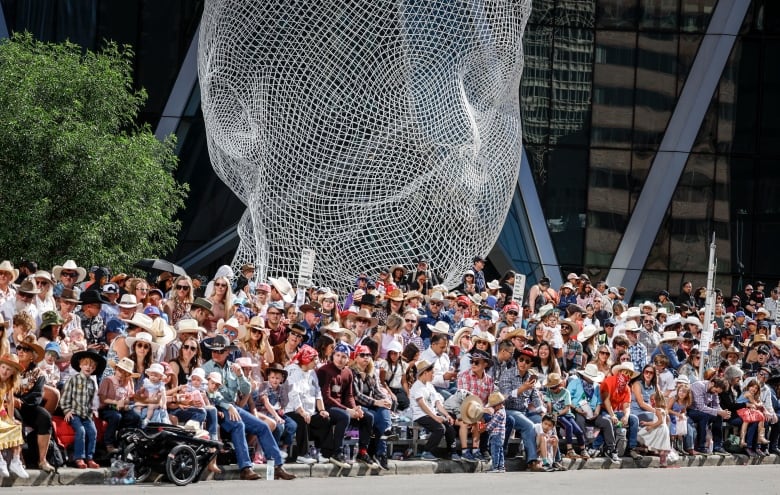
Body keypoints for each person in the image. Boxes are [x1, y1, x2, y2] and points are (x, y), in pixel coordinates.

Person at [202, 335, 293, 480]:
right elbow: (208, 393)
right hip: (216, 408)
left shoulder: (233, 367)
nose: (215, 354)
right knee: (238, 425)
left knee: (262, 427)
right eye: (213, 351)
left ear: (227, 352)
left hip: (233, 407)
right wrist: (227, 406)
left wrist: (239, 376)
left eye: (219, 351)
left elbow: (246, 390)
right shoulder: (205, 369)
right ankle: (245, 468)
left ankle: (277, 466)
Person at [316, 342, 377, 469]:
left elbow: (349, 395)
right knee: (344, 416)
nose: (340, 359)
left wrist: (355, 408)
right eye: (338, 355)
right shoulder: (324, 371)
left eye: (344, 356)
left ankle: (362, 451)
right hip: (326, 406)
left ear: (348, 359)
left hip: (342, 406)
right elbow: (326, 397)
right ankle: (336, 452)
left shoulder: (348, 372)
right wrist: (348, 410)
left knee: (368, 416)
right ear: (333, 356)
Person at [497, 346, 545, 471]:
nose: (523, 363)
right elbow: (504, 397)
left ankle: (549, 459)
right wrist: (522, 389)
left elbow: (535, 397)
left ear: (531, 364)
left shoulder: (530, 377)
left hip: (523, 411)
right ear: (517, 360)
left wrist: (542, 410)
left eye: (527, 361)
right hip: (508, 410)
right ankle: (532, 461)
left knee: (542, 422)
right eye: (521, 359)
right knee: (528, 425)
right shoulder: (507, 374)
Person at [61, 350, 106, 469]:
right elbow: (65, 396)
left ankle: (90, 458)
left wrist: (93, 411)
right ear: (80, 365)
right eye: (86, 364)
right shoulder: (73, 379)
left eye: (92, 366)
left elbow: (92, 400)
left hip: (86, 414)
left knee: (93, 432)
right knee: (81, 431)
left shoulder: (92, 383)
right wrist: (67, 410)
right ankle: (79, 457)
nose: (88, 367)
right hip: (75, 413)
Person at [349, 345, 392, 470]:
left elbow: (378, 390)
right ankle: (383, 438)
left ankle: (381, 453)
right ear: (356, 357)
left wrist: (385, 399)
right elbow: (356, 395)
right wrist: (376, 402)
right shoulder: (351, 372)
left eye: (368, 355)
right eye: (362, 355)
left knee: (384, 409)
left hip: (371, 404)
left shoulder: (372, 372)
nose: (366, 358)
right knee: (374, 416)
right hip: (358, 406)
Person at [568, 363, 621, 463]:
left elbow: (599, 402)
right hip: (578, 411)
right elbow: (568, 398)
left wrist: (597, 411)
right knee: (579, 420)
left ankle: (611, 449)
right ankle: (585, 447)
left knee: (606, 422)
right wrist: (576, 408)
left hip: (592, 412)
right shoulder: (574, 383)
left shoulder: (596, 386)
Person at [409, 359, 459, 461]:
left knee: (449, 426)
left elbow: (437, 403)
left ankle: (452, 452)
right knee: (440, 429)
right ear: (425, 373)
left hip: (432, 413)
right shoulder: (417, 386)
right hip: (421, 415)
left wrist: (446, 415)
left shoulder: (429, 385)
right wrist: (436, 417)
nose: (433, 375)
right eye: (432, 373)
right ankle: (426, 452)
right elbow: (422, 405)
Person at [98, 357, 142, 454]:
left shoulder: (129, 382)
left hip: (121, 409)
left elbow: (130, 398)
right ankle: (108, 443)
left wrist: (124, 403)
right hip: (107, 408)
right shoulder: (107, 380)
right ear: (116, 369)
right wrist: (116, 402)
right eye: (119, 371)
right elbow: (102, 399)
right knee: (116, 416)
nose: (121, 374)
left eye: (125, 372)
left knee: (136, 417)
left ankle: (128, 441)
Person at [600, 361, 643, 460]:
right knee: (607, 420)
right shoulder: (609, 381)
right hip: (603, 409)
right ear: (620, 371)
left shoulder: (627, 388)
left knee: (634, 419)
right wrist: (612, 415)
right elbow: (606, 400)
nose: (627, 376)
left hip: (614, 411)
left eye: (629, 374)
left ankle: (631, 448)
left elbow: (626, 406)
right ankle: (606, 448)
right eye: (625, 372)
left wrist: (626, 416)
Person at [257, 363, 297, 459]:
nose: (275, 380)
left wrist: (282, 410)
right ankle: (272, 450)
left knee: (292, 425)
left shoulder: (281, 389)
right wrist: (276, 416)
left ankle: (284, 448)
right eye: (272, 377)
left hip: (277, 412)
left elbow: (283, 402)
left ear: (282, 379)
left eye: (277, 378)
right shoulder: (264, 386)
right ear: (268, 377)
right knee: (278, 426)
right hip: (265, 412)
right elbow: (266, 403)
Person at [544, 373, 588, 459]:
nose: (553, 389)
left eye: (555, 387)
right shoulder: (548, 392)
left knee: (579, 431)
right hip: (555, 416)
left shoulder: (566, 392)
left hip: (565, 414)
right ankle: (569, 450)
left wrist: (557, 413)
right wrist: (551, 414)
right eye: (551, 387)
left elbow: (567, 408)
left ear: (559, 385)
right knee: (569, 426)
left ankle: (583, 450)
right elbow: (549, 405)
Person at [0, 354, 29, 478]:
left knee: (16, 425)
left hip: (1, 412)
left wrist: (11, 418)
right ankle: (0, 459)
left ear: (13, 372)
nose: (5, 371)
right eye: (3, 367)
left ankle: (15, 461)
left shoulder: (9, 383)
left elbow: (11, 401)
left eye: (8, 369)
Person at [688, 377, 731, 454]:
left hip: (703, 411)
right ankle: (702, 446)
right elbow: (700, 407)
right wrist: (718, 412)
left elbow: (716, 405)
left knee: (718, 416)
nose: (716, 393)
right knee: (704, 416)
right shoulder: (699, 386)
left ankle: (717, 446)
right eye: (716, 391)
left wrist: (723, 413)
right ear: (712, 384)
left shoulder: (714, 392)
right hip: (691, 410)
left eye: (718, 392)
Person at [637, 391, 673, 467]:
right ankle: (663, 462)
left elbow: (659, 421)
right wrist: (647, 423)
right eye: (651, 400)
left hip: (659, 428)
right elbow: (663, 421)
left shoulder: (658, 410)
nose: (652, 402)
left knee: (642, 434)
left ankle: (643, 449)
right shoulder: (663, 410)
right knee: (662, 446)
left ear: (658, 400)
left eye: (654, 400)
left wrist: (651, 426)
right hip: (664, 428)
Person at [484, 391, 507, 473]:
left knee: (495, 451)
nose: (493, 407)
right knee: (500, 451)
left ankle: (495, 467)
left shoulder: (499, 413)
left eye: (494, 406)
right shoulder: (502, 411)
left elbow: (492, 424)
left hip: (496, 434)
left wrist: (485, 427)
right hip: (500, 435)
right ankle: (501, 467)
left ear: (498, 404)